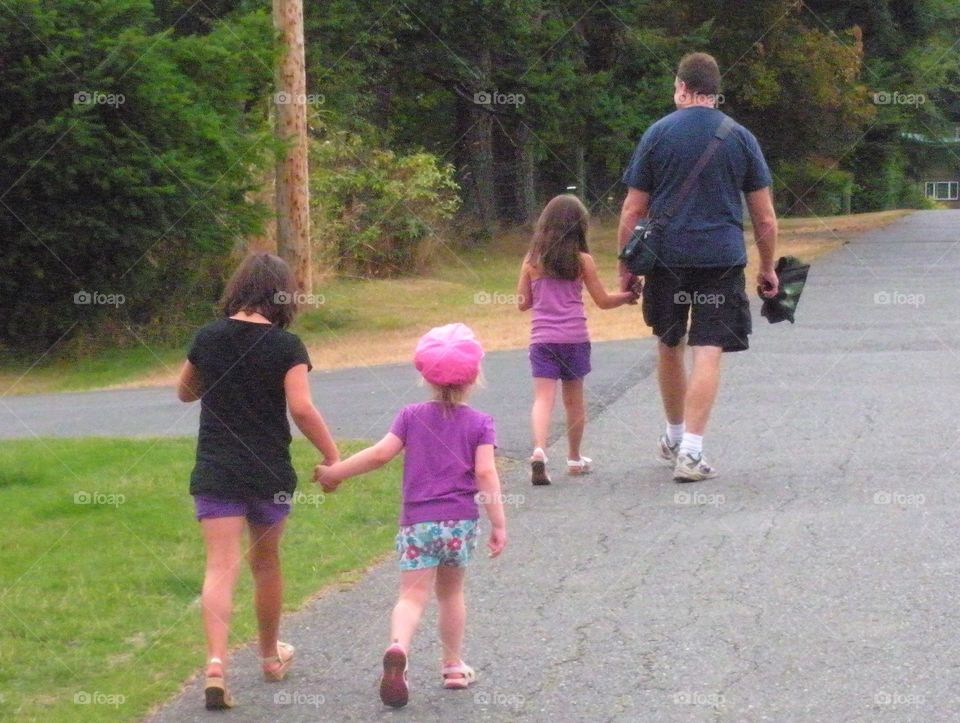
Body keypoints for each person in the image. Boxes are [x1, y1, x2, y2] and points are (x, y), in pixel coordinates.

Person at [177, 252, 339, 710]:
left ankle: (215, 666)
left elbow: (184, 391)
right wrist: (331, 455)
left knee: (219, 567)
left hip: (216, 469)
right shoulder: (287, 346)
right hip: (268, 471)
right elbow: (302, 408)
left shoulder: (208, 337)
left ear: (239, 288)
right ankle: (270, 656)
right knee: (265, 563)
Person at [314, 323, 506, 709]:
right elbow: (485, 472)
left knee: (411, 595)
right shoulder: (480, 423)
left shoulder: (410, 416)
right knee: (450, 593)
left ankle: (398, 647)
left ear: (424, 374)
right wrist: (499, 521)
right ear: (474, 376)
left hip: (417, 523)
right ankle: (452, 665)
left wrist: (335, 472)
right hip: (459, 522)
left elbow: (380, 454)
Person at [618, 51, 780, 483]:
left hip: (667, 258)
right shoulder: (741, 137)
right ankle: (692, 450)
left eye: (675, 88)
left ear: (685, 89)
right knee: (708, 348)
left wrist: (626, 268)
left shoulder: (656, 134)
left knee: (669, 340)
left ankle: (673, 437)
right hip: (721, 259)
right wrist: (768, 268)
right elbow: (764, 217)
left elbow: (633, 209)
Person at [517, 194, 638, 485]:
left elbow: (522, 302)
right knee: (574, 402)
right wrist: (629, 296)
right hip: (574, 339)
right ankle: (573, 458)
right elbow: (603, 301)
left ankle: (539, 451)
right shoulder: (583, 261)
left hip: (543, 340)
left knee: (543, 399)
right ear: (578, 228)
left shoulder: (532, 261)